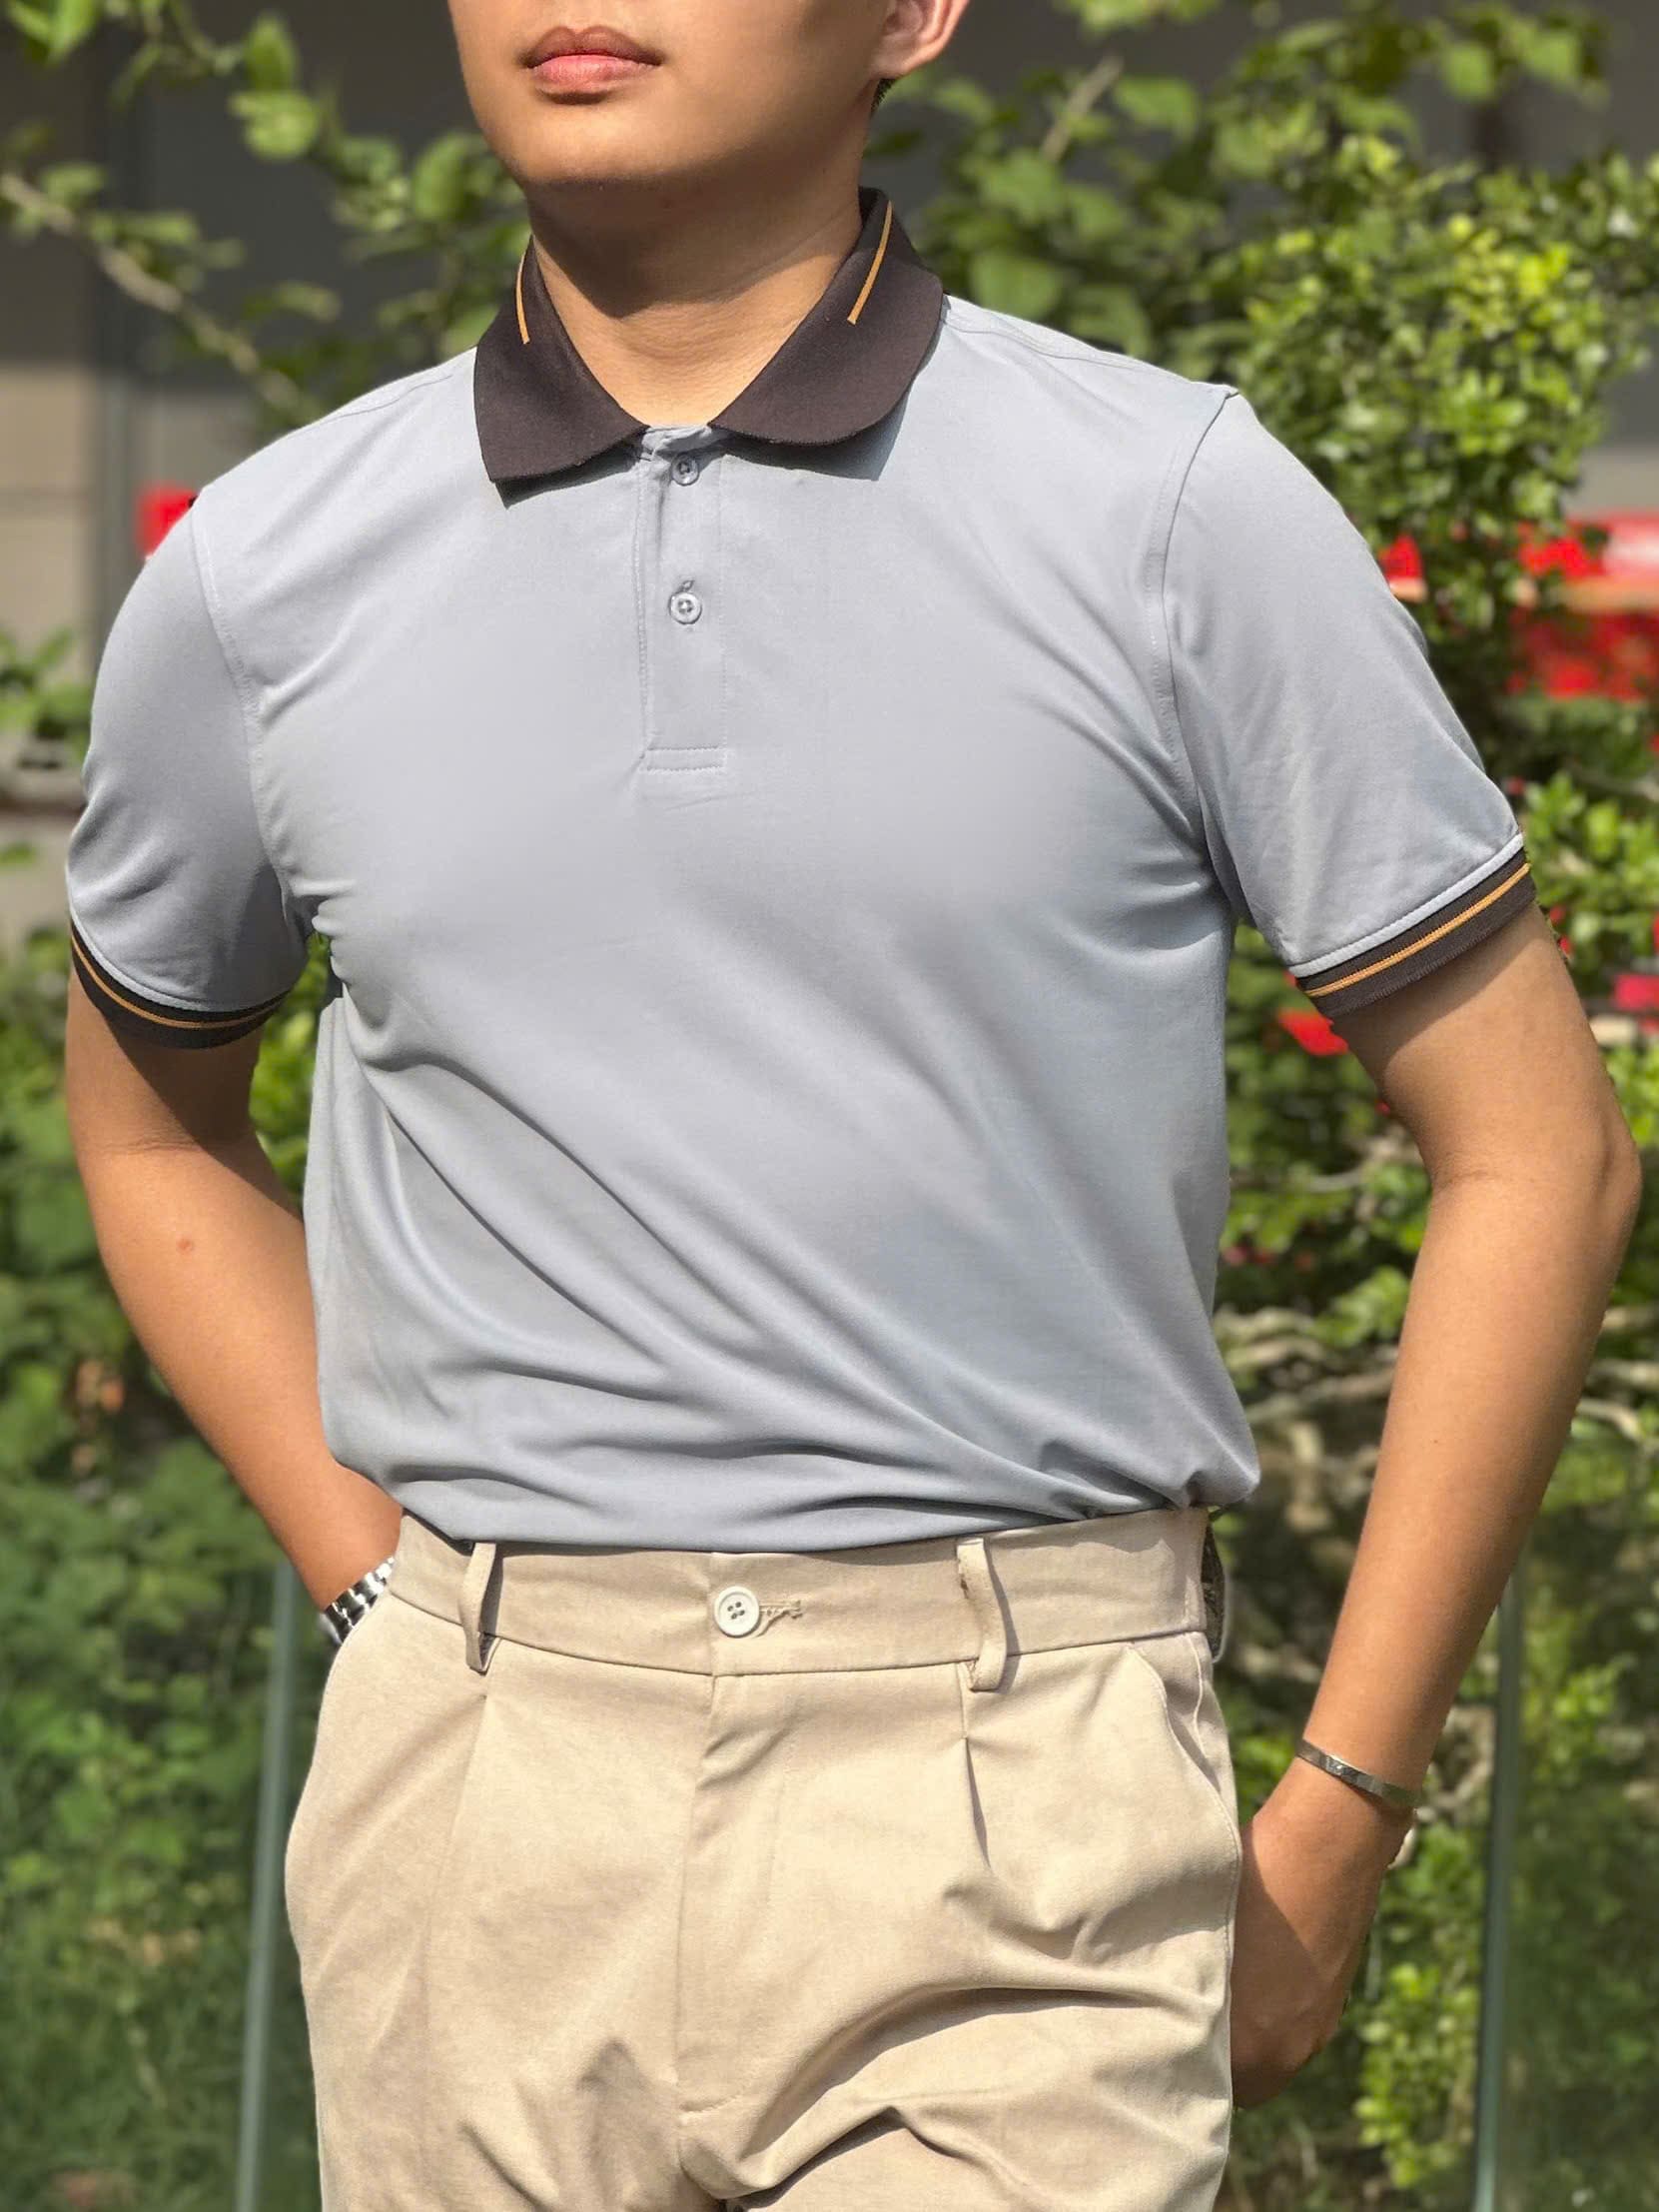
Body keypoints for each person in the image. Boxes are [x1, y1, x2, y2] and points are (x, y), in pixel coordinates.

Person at [61, 3, 1641, 2207]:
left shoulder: (1167, 510)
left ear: (913, 13)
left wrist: (1345, 1804)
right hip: (474, 1819)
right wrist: (390, 1600)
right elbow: (151, 1125)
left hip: (1022, 1801)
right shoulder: (260, 570)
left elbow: (1538, 1148)